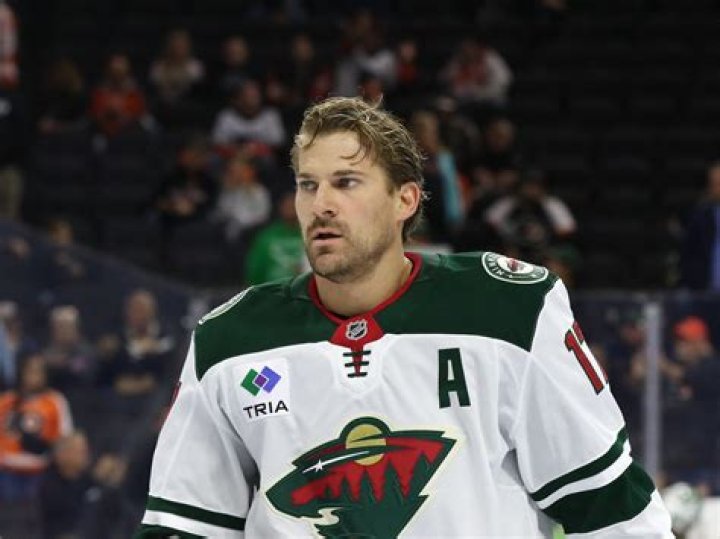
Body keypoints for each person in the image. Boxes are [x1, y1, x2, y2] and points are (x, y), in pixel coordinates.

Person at [136, 97, 672, 537]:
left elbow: (611, 509)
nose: (321, 204)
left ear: (405, 200)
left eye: (347, 182)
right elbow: (185, 527)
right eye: (308, 184)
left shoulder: (508, 311)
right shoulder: (231, 339)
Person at [679, 160, 720, 290]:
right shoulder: (700, 217)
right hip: (707, 292)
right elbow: (688, 255)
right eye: (713, 184)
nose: (716, 188)